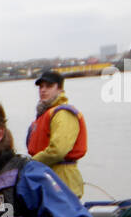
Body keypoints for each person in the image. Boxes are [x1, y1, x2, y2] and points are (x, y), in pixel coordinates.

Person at [26, 70, 87, 199]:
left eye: (48, 86)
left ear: (60, 89)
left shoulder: (63, 114)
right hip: (46, 177)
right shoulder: (46, 114)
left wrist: (29, 164)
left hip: (63, 181)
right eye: (41, 87)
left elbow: (58, 150)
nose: (43, 90)